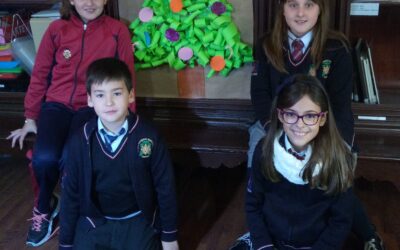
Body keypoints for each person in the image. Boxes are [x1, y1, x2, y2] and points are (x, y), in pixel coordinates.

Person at [247, 0, 383, 249]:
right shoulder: (266, 44)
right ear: (282, 8)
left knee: (336, 173)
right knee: (261, 162)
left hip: (322, 125)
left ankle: (369, 235)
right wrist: (277, 133)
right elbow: (260, 95)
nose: (300, 13)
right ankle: (263, 234)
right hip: (275, 123)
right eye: (293, 5)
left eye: (309, 4)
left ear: (320, 9)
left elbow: (340, 105)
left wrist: (332, 143)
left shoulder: (337, 47)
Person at [7, 0, 135, 247]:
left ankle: (72, 211)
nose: (90, 3)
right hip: (56, 106)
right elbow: (40, 75)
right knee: (43, 158)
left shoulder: (117, 30)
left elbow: (126, 78)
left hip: (91, 108)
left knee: (70, 157)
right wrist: (30, 118)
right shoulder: (56, 30)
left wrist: (127, 120)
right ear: (72, 1)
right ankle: (44, 207)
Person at [59, 57, 179, 250]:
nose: (109, 102)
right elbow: (70, 194)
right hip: (96, 221)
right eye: (99, 95)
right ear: (89, 99)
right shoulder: (79, 140)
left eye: (116, 93)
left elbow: (166, 188)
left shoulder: (149, 136)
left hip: (137, 219)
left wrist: (170, 237)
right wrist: (65, 243)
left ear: (130, 95)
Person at [247, 74, 356, 249]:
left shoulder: (338, 158)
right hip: (271, 242)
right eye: (291, 114)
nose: (300, 124)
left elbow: (341, 220)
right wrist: (264, 245)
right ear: (280, 116)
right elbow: (253, 205)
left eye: (310, 116)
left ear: (322, 119)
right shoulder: (264, 150)